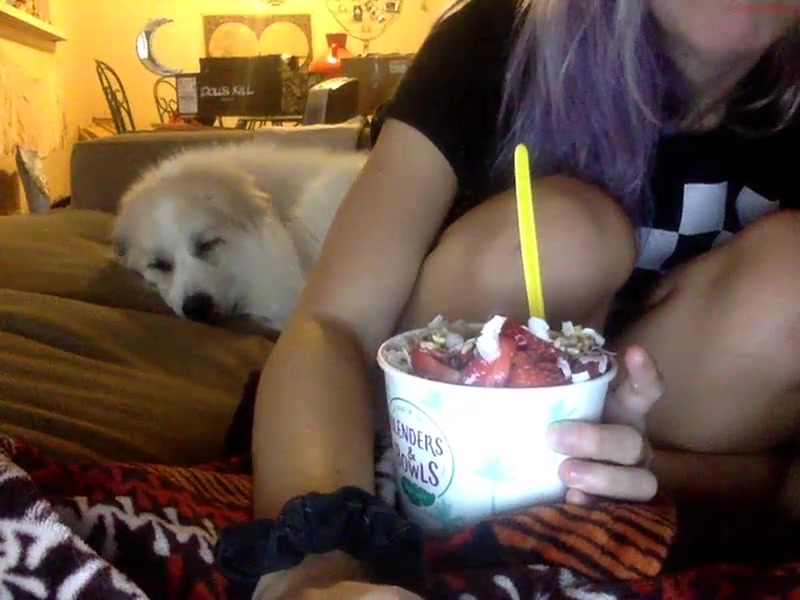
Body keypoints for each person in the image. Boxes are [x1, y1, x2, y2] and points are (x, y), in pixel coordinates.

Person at [248, 0, 800, 597]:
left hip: (659, 461)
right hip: (436, 449)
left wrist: (642, 466)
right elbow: (332, 325)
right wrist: (312, 565)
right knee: (560, 235)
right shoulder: (499, 42)